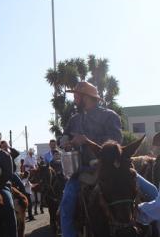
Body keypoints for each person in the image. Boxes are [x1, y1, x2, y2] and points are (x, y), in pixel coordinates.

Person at [59, 81, 158, 237]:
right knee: (66, 206)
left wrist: (86, 141)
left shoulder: (109, 116)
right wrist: (66, 142)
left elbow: (115, 142)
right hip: (83, 170)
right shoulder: (74, 119)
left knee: (153, 192)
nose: (75, 98)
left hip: (112, 167)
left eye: (77, 95)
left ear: (87, 97)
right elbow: (64, 137)